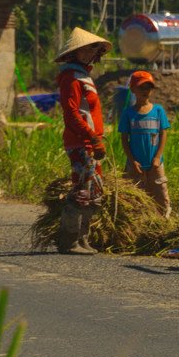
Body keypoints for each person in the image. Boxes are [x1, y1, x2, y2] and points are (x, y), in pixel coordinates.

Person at [54, 27, 111, 255]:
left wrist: (97, 138)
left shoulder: (84, 76)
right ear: (76, 52)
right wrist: (92, 137)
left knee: (93, 192)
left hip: (92, 142)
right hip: (81, 142)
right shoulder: (70, 77)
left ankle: (83, 238)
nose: (90, 54)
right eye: (87, 49)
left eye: (93, 50)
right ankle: (69, 241)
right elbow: (72, 114)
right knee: (81, 190)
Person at [118, 70, 172, 217]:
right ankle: (138, 225)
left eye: (148, 87)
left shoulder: (158, 111)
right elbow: (124, 139)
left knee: (161, 197)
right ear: (133, 89)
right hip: (136, 166)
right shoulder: (128, 113)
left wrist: (157, 157)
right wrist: (132, 160)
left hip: (155, 164)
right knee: (134, 199)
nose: (145, 91)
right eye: (141, 87)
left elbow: (163, 134)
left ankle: (163, 223)